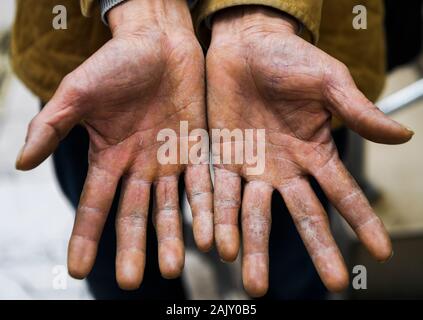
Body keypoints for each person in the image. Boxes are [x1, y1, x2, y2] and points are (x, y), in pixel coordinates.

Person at [11, 0, 413, 299]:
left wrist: (260, 15)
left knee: (293, 246)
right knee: (118, 249)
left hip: (295, 71)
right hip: (100, 68)